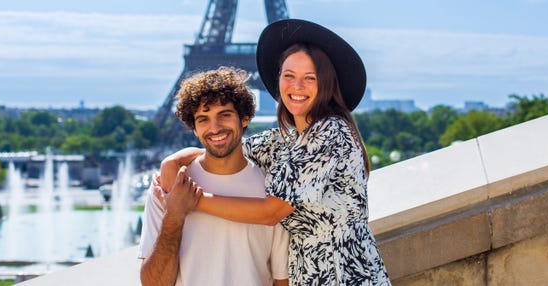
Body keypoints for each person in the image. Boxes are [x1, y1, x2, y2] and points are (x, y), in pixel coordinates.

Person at [161, 19, 391, 285]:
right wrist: (172, 162)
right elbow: (226, 145)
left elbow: (271, 212)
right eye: (289, 76)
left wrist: (192, 200)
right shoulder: (287, 141)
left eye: (310, 78)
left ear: (326, 83)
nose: (297, 86)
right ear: (279, 78)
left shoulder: (331, 131)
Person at [138, 67, 290, 286]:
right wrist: (174, 215)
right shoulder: (167, 188)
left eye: (224, 115)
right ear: (194, 129)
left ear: (244, 118)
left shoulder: (273, 190)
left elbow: (280, 280)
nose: (215, 127)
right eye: (203, 119)